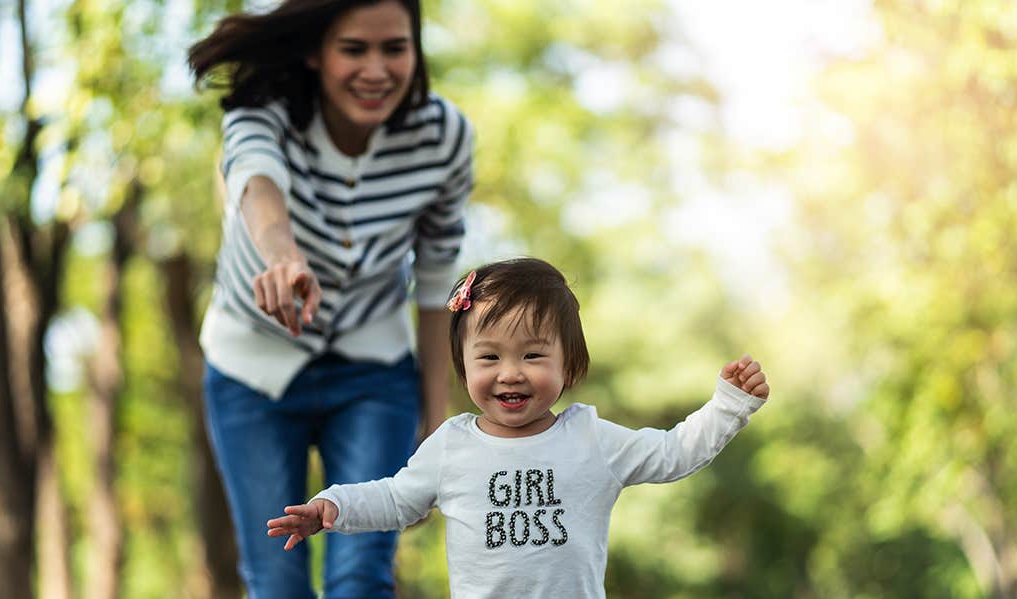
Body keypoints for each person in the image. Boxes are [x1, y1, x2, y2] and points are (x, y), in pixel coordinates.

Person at [266, 257, 771, 598]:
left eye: (532, 354)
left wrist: (729, 405)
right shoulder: (452, 446)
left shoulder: (591, 439)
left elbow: (674, 453)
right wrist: (333, 507)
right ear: (464, 369)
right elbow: (397, 499)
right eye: (489, 357)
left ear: (569, 367)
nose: (510, 372)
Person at [187, 0, 473, 596]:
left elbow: (436, 276)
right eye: (354, 49)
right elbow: (257, 181)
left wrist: (435, 417)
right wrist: (282, 255)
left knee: (360, 570)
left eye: (394, 48)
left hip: (374, 371)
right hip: (251, 373)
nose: (376, 70)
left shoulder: (442, 138)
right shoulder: (260, 113)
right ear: (317, 52)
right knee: (277, 578)